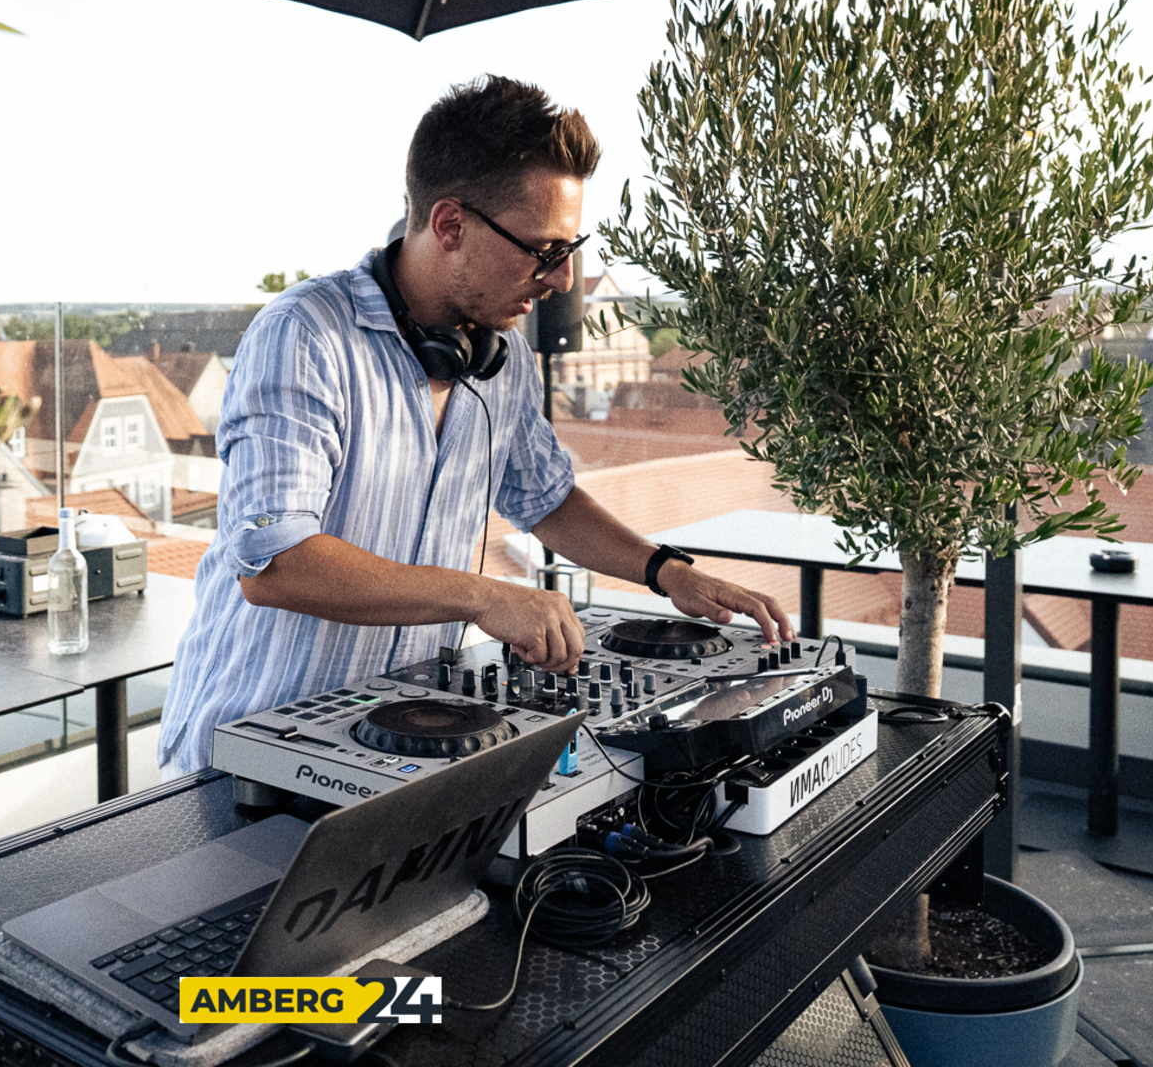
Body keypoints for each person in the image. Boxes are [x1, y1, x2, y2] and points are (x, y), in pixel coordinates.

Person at [157, 76, 789, 774]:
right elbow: (273, 562)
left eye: (570, 250)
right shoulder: (306, 337)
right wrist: (486, 596)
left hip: (408, 751)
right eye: (544, 250)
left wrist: (662, 570)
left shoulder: (503, 353)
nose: (562, 280)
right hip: (249, 760)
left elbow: (544, 498)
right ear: (450, 224)